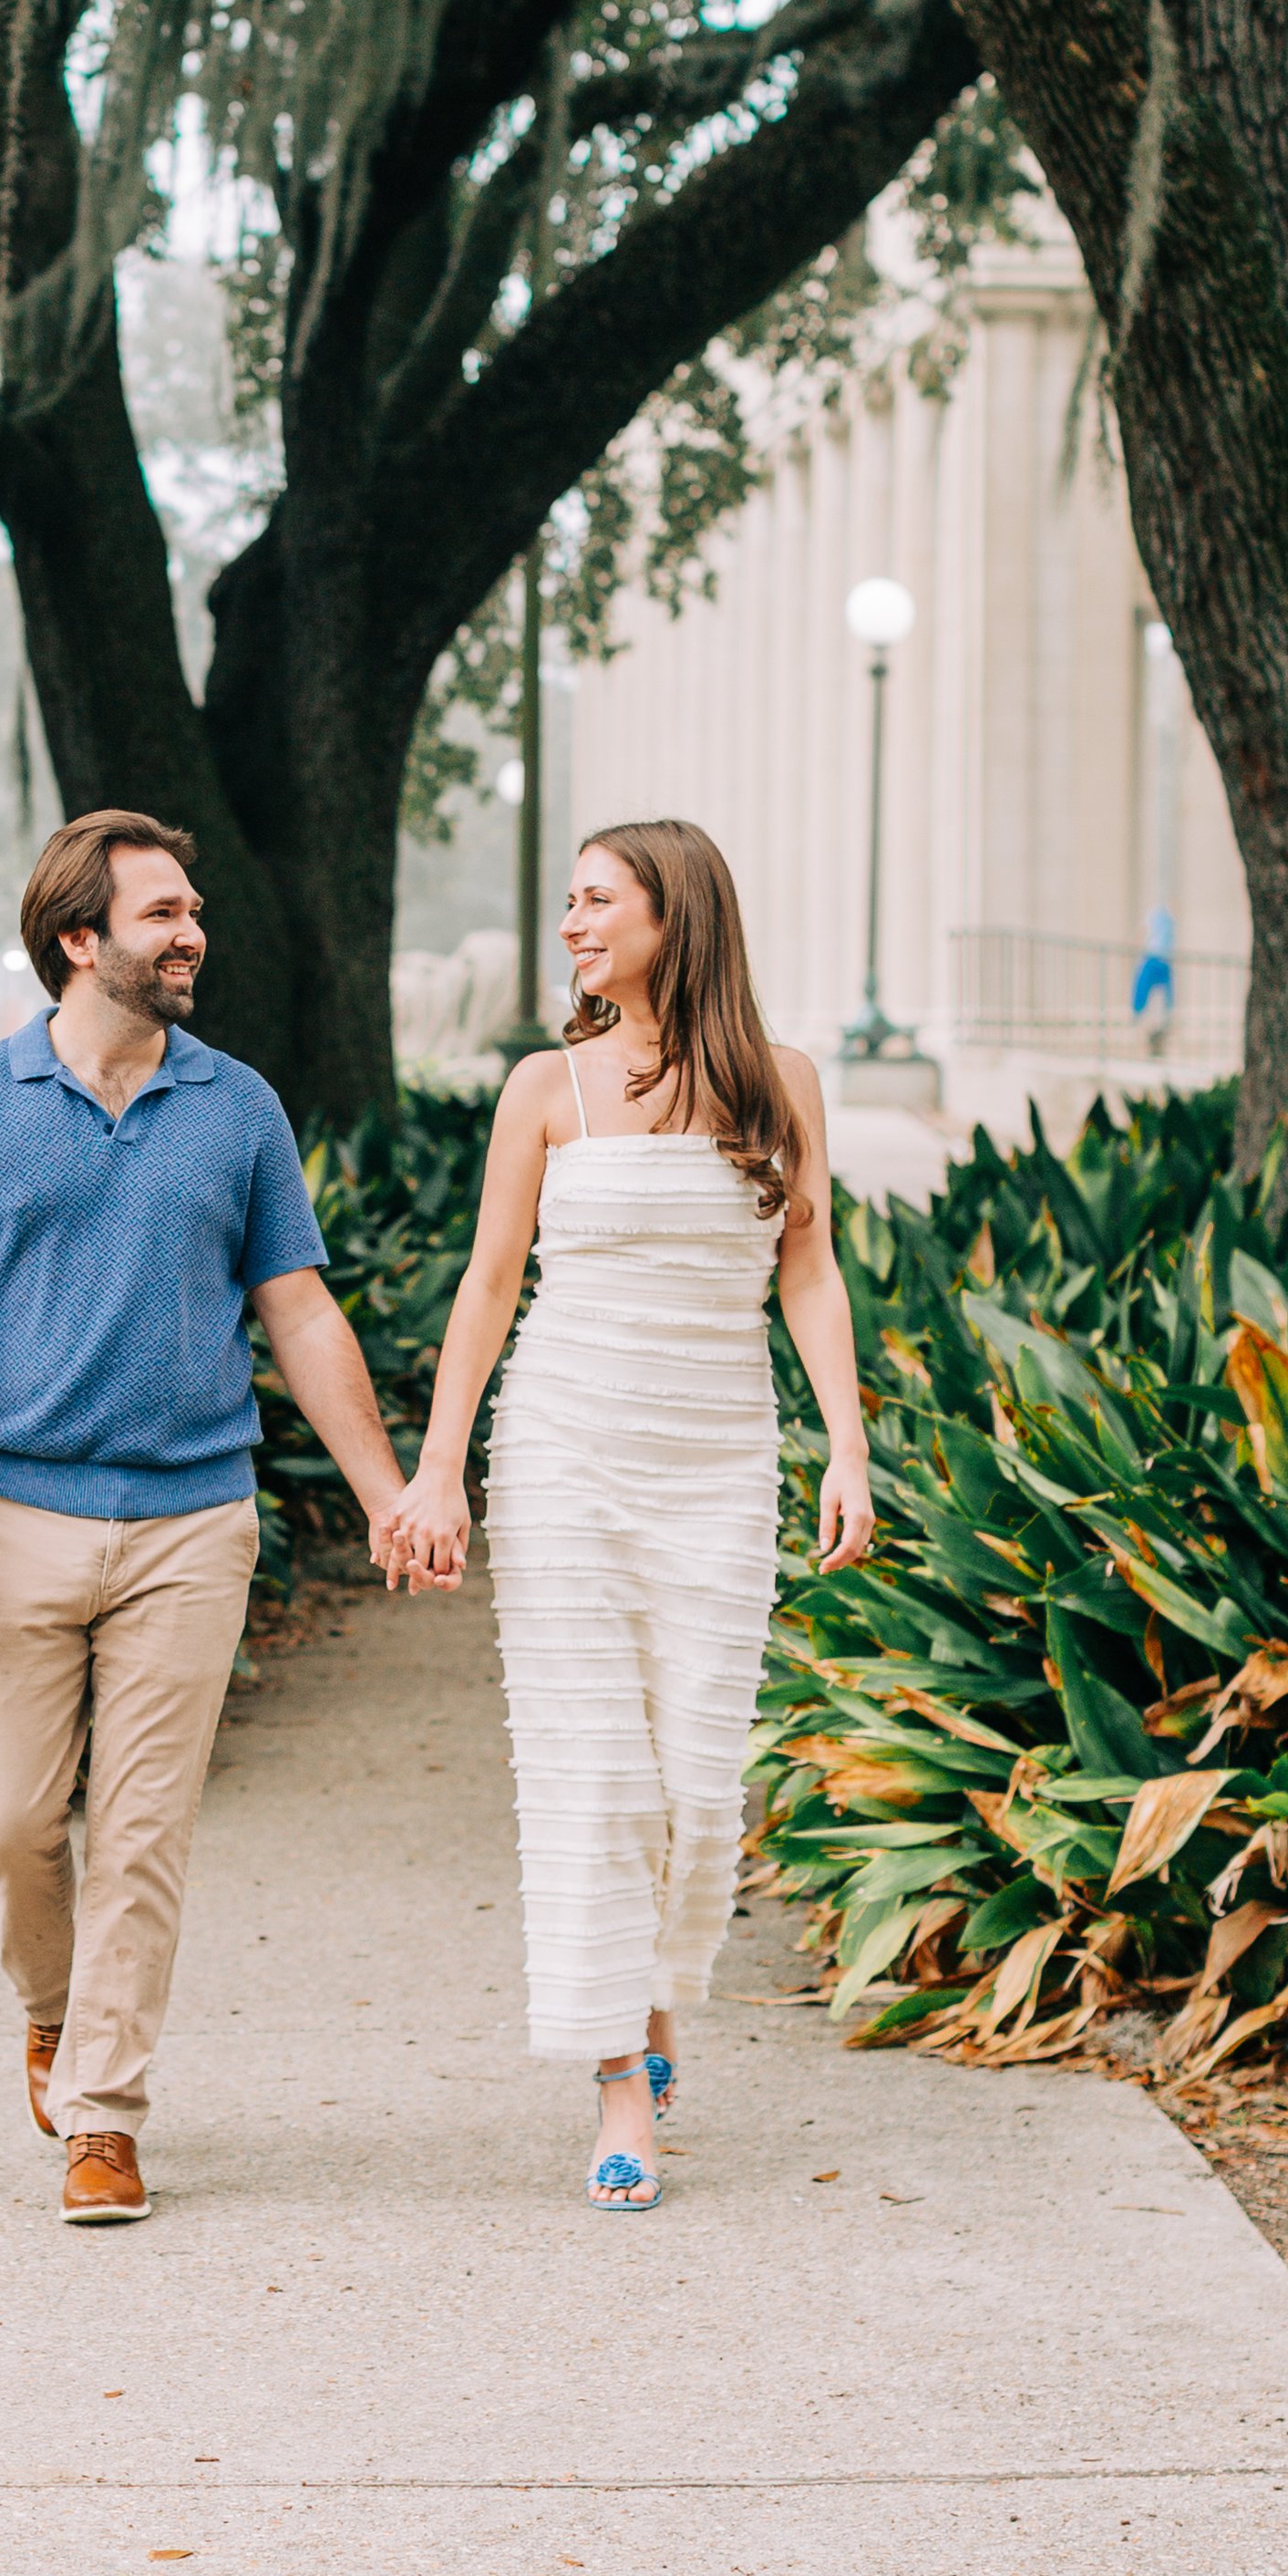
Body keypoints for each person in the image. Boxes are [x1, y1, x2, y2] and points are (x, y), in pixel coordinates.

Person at [0, 808, 426, 2224]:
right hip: (12, 1517)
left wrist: (385, 1492)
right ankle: (56, 2013)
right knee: (4, 1821)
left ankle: (104, 2117)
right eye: (165, 914)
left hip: (194, 1524)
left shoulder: (237, 1105)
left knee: (139, 1833)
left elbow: (299, 1314)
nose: (194, 935)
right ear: (81, 938)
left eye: (195, 912)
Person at [386, 821, 875, 2211]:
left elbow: (811, 1272)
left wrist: (847, 1444)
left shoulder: (783, 1083)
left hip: (719, 1458)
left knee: (698, 1783)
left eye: (596, 900)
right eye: (570, 902)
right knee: (595, 1767)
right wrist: (438, 1471)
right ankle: (619, 2078)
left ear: (677, 915)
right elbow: (487, 1288)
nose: (573, 924)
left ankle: (656, 2006)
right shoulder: (549, 1088)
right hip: (564, 1453)